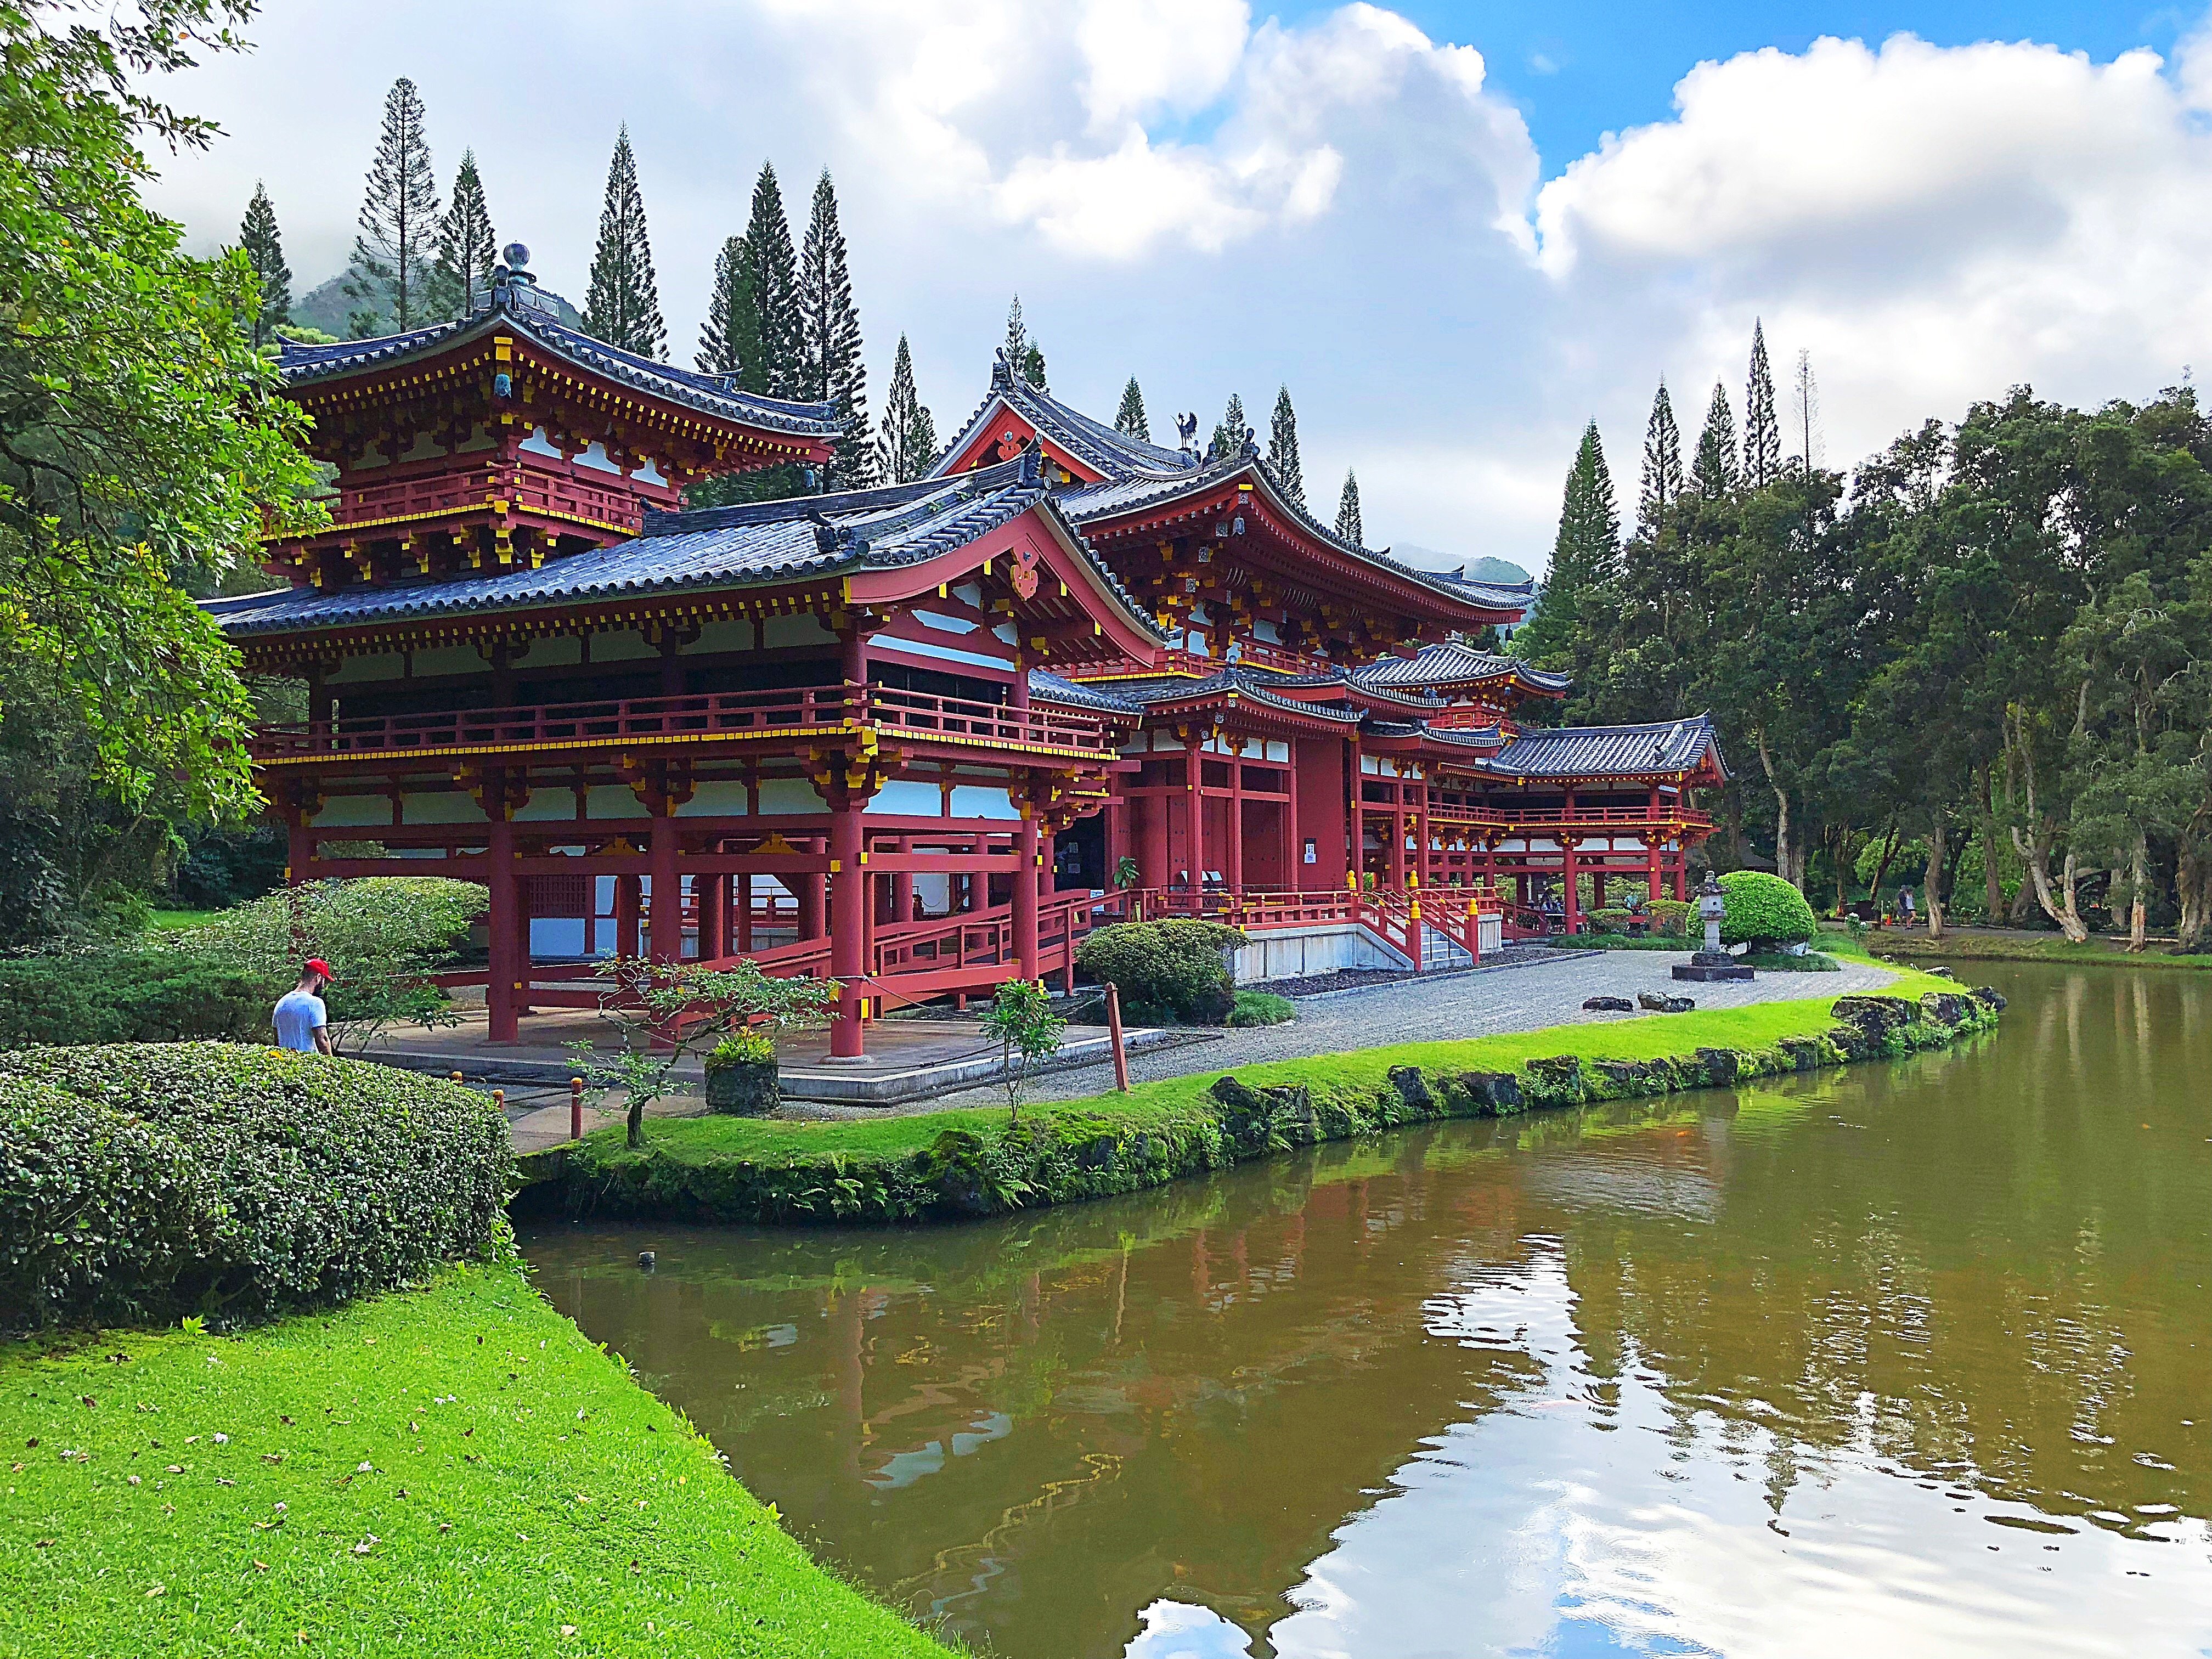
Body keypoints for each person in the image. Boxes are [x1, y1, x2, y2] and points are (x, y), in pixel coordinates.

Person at [273, 959, 337, 1056]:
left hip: (285, 1063)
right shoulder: (315, 1003)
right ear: (318, 978)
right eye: (325, 981)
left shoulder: (282, 1002)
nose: (324, 986)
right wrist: (332, 1065)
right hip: (307, 1064)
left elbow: (277, 1039)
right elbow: (322, 1039)